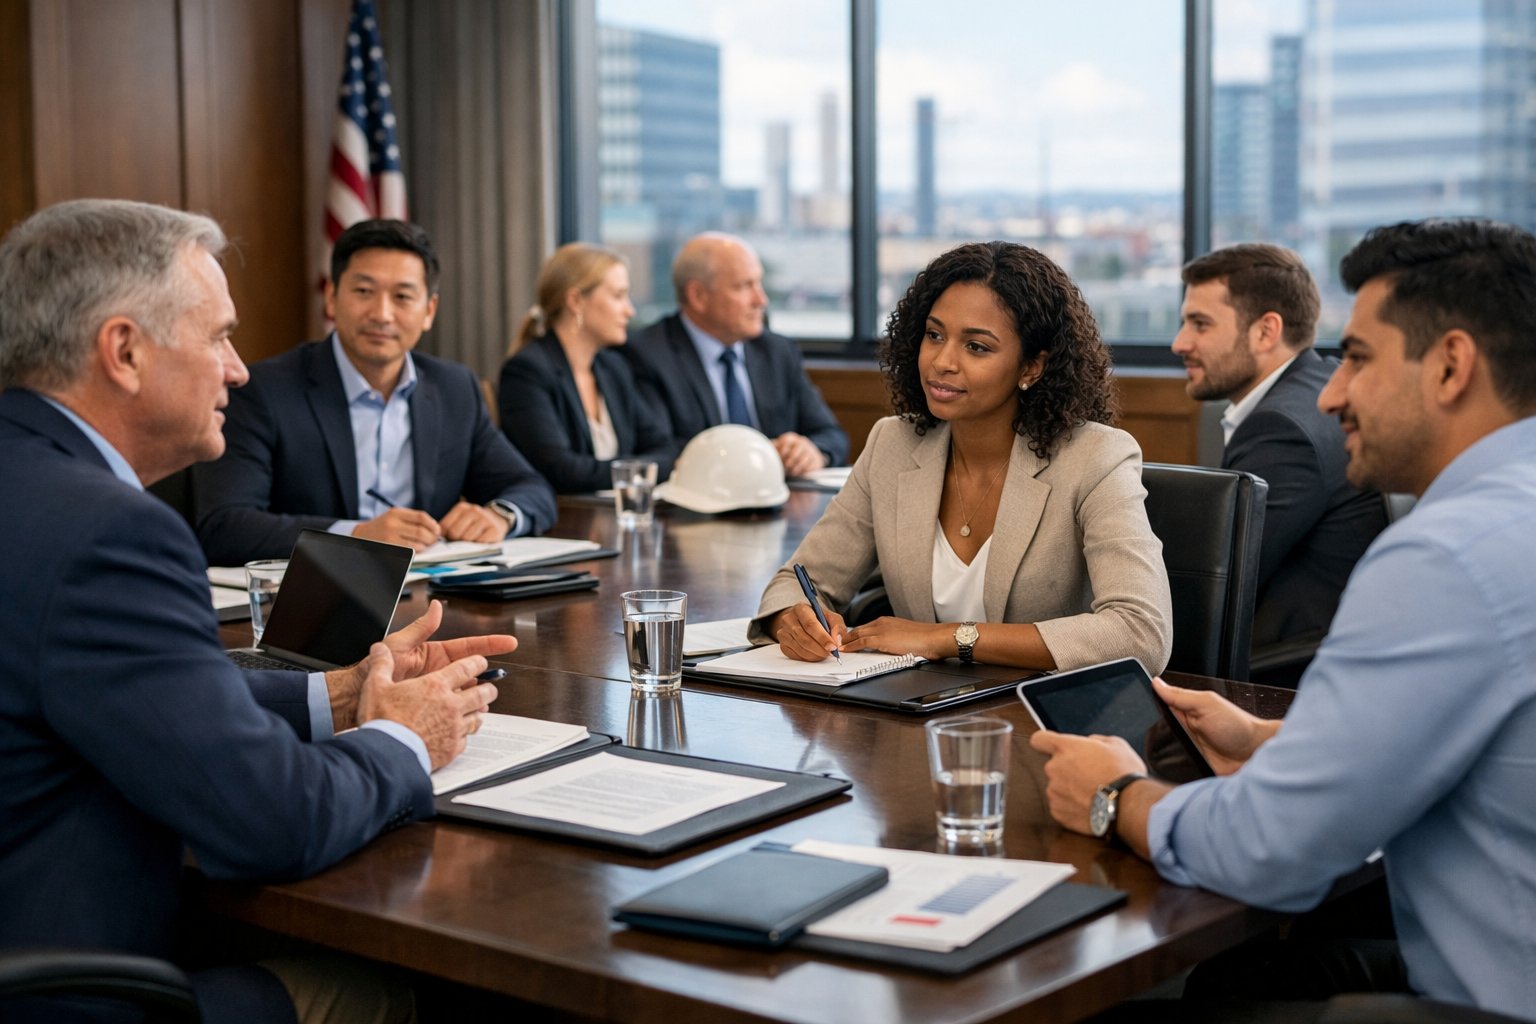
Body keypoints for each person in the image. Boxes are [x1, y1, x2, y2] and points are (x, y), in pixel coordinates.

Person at [0, 199, 511, 1022]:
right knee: (400, 994)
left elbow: (130, 688)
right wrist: (405, 737)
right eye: (217, 337)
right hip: (71, 992)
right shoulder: (112, 534)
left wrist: (338, 693)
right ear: (124, 351)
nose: (238, 369)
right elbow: (274, 821)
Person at [1033, 220, 1536, 1020]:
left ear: (1450, 366)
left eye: (1358, 359)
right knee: (1246, 982)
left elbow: (1267, 853)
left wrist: (1115, 794)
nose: (1332, 391)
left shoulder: (1447, 557)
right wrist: (1270, 741)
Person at [753, 241, 1173, 674]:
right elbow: (797, 582)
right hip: (917, 716)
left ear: (1032, 367)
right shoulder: (892, 445)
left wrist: (946, 638)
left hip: (1048, 721)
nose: (942, 362)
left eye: (976, 347)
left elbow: (1140, 633)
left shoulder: (1096, 457)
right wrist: (796, 620)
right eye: (934, 335)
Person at [192, 218, 557, 566]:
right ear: (332, 298)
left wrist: (501, 516)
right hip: (316, 606)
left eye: (402, 297)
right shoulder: (264, 390)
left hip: (433, 595)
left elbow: (531, 487)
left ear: (429, 311)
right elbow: (225, 524)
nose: (382, 314)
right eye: (364, 291)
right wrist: (358, 534)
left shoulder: (453, 388)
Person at [1175, 244, 1386, 657]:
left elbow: (1207, 592)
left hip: (1277, 677)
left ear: (1266, 331)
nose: (1179, 343)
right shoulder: (1317, 384)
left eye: (1200, 324)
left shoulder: (1280, 431)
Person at [625, 232, 849, 475]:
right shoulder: (647, 355)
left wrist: (813, 451)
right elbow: (662, 450)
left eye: (759, 283)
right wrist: (757, 456)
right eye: (744, 286)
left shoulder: (777, 351)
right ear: (698, 296)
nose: (760, 300)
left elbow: (832, 435)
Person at [497, 242, 679, 492]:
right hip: (565, 521)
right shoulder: (527, 372)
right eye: (618, 296)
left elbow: (665, 448)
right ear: (575, 301)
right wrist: (642, 470)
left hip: (614, 517)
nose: (629, 310)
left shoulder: (613, 368)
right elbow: (562, 471)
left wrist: (632, 471)